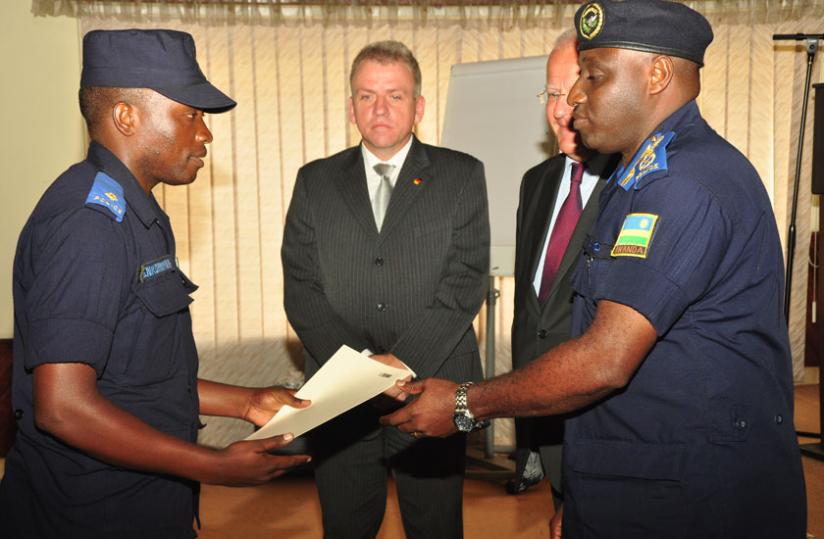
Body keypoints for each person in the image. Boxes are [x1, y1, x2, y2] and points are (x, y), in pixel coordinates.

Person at [382, 1, 808, 537]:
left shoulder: (681, 185)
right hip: (646, 476)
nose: (575, 98)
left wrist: (467, 402)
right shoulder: (643, 177)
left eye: (593, 76)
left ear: (656, 75)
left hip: (694, 493)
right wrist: (586, 493)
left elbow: (606, 359)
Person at [0, 29, 311, 539]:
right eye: (189, 114)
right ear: (127, 116)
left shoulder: (136, 211)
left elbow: (133, 377)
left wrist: (246, 401)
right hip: (90, 514)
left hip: (144, 502)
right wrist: (211, 465)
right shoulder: (89, 224)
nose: (205, 133)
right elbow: (64, 407)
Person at [281, 40, 489, 538]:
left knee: (435, 526)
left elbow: (465, 280)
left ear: (418, 106)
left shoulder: (461, 174)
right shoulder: (315, 181)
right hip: (339, 391)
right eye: (367, 95)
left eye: (395, 96)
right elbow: (302, 286)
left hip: (431, 386)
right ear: (352, 106)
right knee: (345, 526)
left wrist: (399, 363)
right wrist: (361, 370)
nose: (380, 108)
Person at [508, 29, 617, 505]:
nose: (560, 107)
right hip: (541, 413)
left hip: (604, 424)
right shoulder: (536, 182)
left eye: (576, 88)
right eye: (552, 92)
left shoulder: (636, 187)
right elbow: (532, 309)